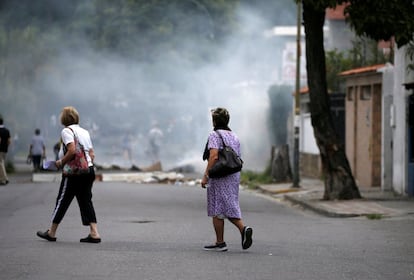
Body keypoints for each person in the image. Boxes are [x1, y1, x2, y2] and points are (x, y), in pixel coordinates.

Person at [37, 106, 101, 243]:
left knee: (62, 200)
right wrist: (86, 166)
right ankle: (94, 233)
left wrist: (61, 162)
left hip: (74, 173)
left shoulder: (67, 131)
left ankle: (52, 232)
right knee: (86, 201)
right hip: (88, 170)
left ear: (64, 119)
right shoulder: (84, 132)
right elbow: (92, 153)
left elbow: (71, 150)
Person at [201, 107, 253, 252]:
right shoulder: (234, 135)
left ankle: (224, 240)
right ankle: (236, 234)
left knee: (217, 207)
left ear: (214, 121)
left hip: (219, 175)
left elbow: (214, 156)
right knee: (229, 204)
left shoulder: (214, 135)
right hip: (233, 175)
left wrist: (206, 175)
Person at [0, 115, 11, 185]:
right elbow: (9, 141)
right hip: (5, 150)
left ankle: (5, 178)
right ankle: (2, 179)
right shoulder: (7, 130)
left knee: (1, 164)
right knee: (2, 163)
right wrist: (6, 146)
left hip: (0, 149)